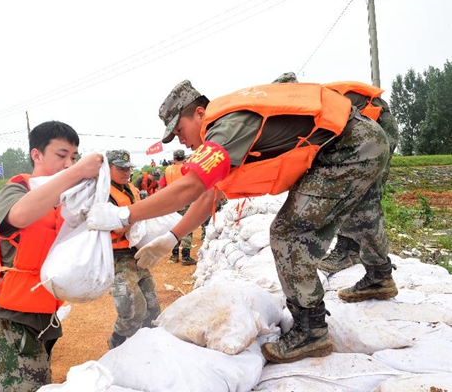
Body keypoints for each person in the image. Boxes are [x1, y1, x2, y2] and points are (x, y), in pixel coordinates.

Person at [87, 80, 398, 364]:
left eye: (179, 130)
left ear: (198, 113)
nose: (179, 140)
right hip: (364, 140)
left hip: (348, 147)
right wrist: (173, 235)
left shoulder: (225, 127)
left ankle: (310, 330)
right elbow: (209, 194)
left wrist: (125, 215)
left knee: (287, 233)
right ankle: (380, 276)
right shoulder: (227, 132)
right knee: (363, 212)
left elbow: (192, 186)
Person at [0, 120, 102, 392]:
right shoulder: (16, 190)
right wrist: (75, 175)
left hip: (44, 320)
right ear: (36, 155)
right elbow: (19, 216)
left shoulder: (68, 200)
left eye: (74, 157)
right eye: (61, 156)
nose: (69, 164)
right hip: (11, 322)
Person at [272, 73, 400, 274]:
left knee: (362, 192)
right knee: (347, 190)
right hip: (363, 133)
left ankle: (359, 256)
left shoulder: (315, 102)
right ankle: (350, 249)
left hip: (379, 129)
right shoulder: (308, 103)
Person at [105, 149, 161, 349]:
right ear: (107, 168)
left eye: (128, 168)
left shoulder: (129, 188)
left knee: (153, 309)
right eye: (120, 168)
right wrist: (139, 216)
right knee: (132, 311)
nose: (126, 172)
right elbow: (117, 228)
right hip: (117, 258)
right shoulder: (103, 194)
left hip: (136, 253)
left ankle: (148, 348)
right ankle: (116, 341)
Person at [159, 149, 197, 265]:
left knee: (174, 227)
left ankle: (174, 255)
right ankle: (185, 256)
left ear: (174, 158)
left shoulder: (167, 170)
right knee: (188, 228)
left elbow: (161, 187)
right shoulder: (188, 168)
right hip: (186, 201)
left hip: (172, 203)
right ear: (184, 158)